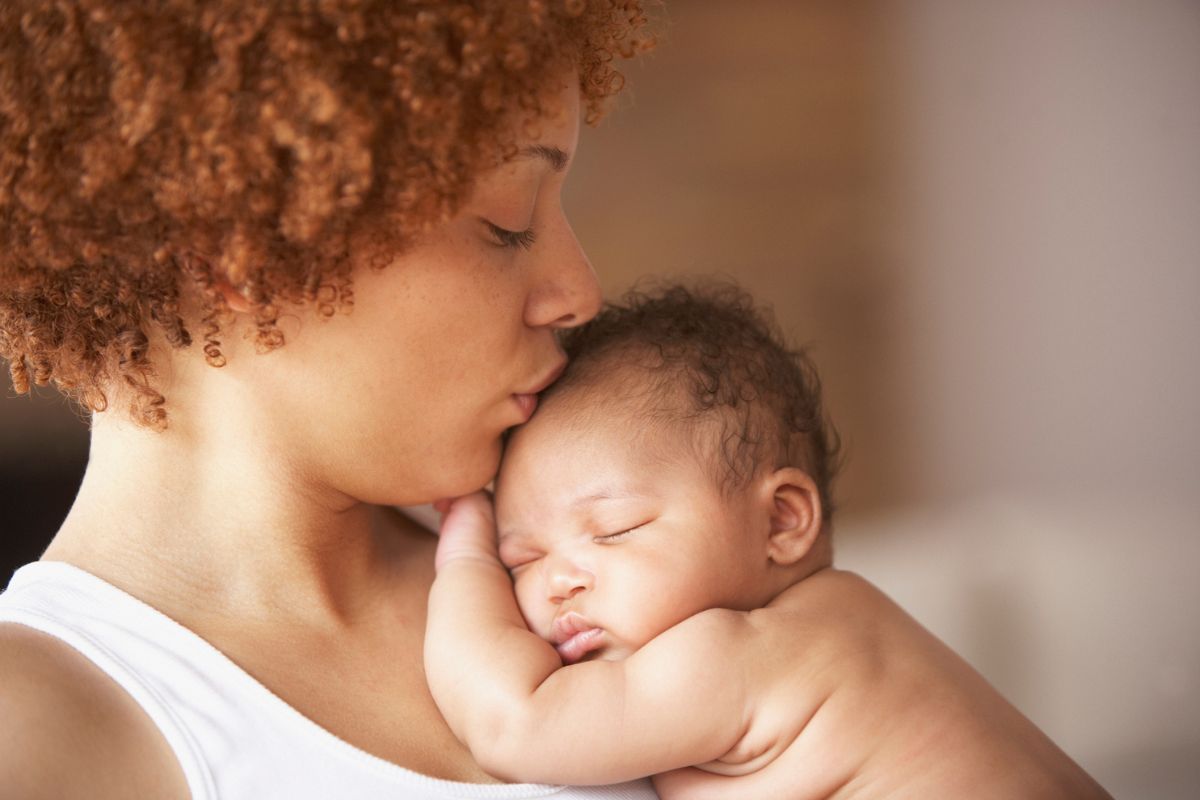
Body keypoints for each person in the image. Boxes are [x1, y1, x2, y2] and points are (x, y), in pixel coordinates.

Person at [0, 2, 659, 798]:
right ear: (245, 246)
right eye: (507, 220)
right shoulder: (35, 734)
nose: (578, 291)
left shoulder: (598, 558)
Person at [425, 284, 1114, 799]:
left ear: (781, 522)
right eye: (522, 558)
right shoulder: (848, 623)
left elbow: (515, 727)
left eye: (614, 531)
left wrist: (463, 551)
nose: (558, 581)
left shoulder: (739, 654)